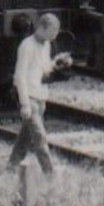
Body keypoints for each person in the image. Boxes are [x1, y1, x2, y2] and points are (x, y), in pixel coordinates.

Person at [7, 13, 71, 177]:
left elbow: (43, 70)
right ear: (41, 28)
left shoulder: (46, 44)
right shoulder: (26, 46)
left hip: (41, 96)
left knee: (24, 139)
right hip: (29, 97)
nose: (53, 37)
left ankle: (10, 170)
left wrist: (56, 63)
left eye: (55, 34)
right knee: (40, 138)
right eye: (51, 33)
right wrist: (24, 103)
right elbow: (19, 76)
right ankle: (51, 177)